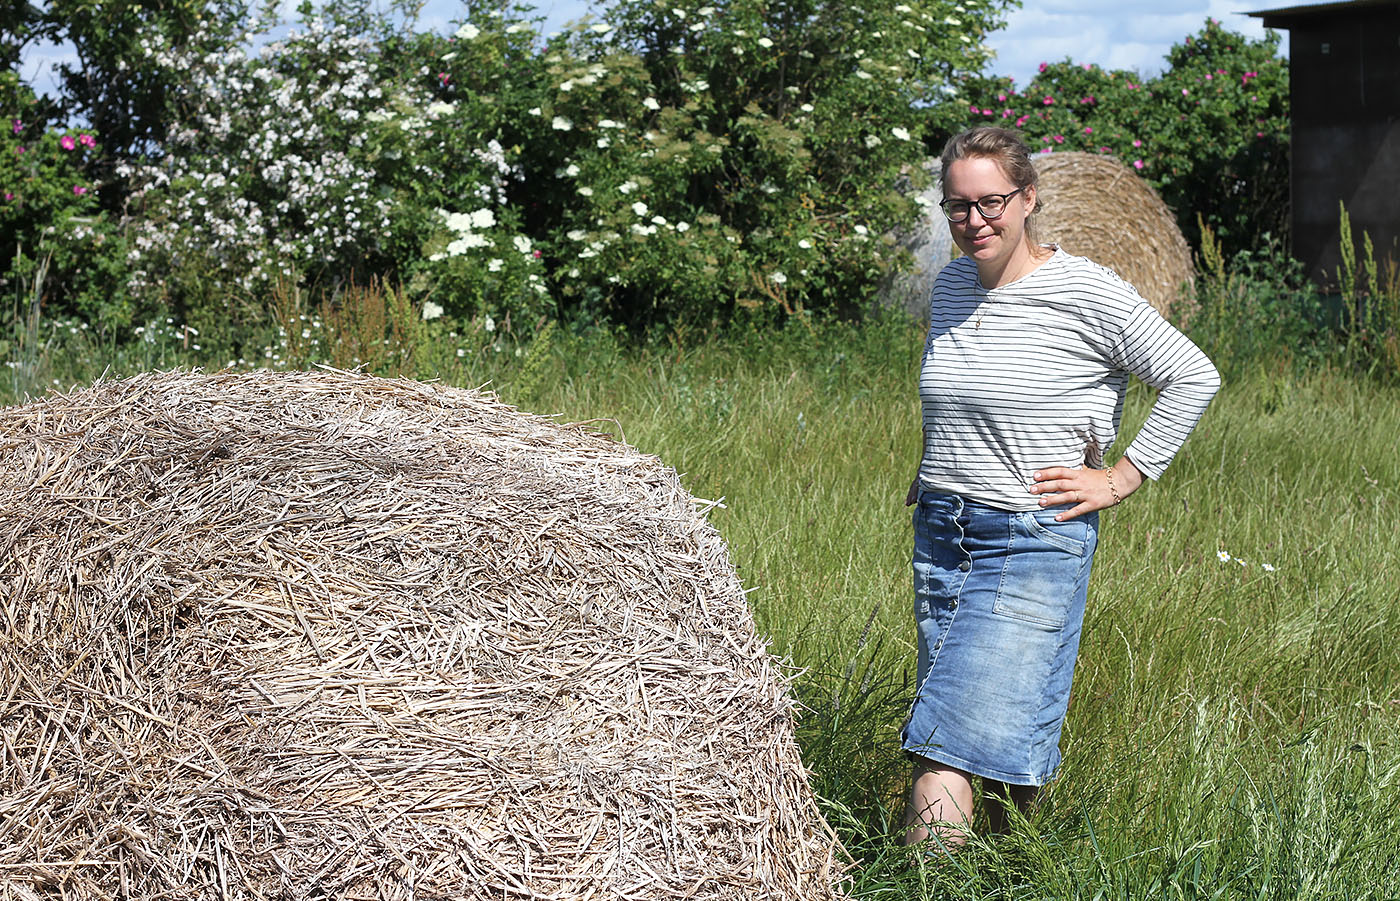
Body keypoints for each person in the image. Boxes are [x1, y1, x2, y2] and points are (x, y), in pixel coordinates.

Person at [901, 126, 1220, 847]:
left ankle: (924, 887)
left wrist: (1122, 476)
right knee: (1000, 735)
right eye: (958, 206)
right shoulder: (951, 284)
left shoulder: (1085, 290)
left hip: (1029, 536)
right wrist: (935, 463)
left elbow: (1192, 374)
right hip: (943, 536)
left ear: (1029, 198)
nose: (974, 221)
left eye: (991, 202)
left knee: (943, 744)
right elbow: (959, 386)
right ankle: (1020, 872)